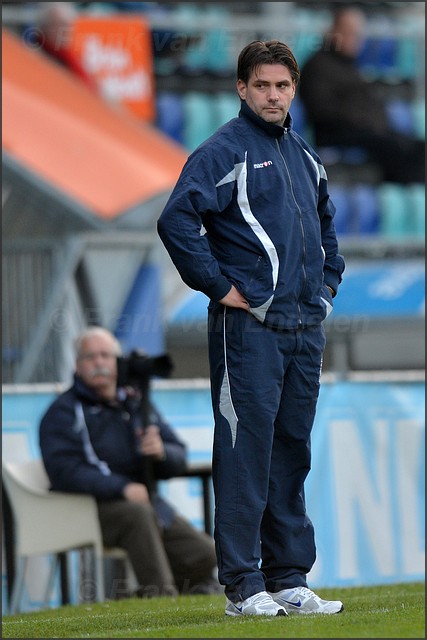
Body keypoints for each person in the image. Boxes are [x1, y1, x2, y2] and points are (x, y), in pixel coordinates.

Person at [157, 40, 345, 617]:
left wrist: (326, 289)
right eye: (261, 85)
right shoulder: (223, 151)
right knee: (245, 453)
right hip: (250, 332)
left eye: (282, 86)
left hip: (303, 329)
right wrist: (220, 287)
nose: (272, 95)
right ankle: (243, 585)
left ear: (293, 90)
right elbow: (177, 219)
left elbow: (327, 232)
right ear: (241, 88)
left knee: (292, 451)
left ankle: (289, 577)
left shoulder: (305, 155)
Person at [39, 326, 219, 598]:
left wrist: (161, 453)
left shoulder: (136, 402)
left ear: (117, 362)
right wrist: (121, 487)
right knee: (137, 514)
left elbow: (179, 455)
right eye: (90, 357)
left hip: (145, 504)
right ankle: (161, 597)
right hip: (88, 508)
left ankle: (144, 595)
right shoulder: (63, 412)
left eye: (105, 355)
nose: (99, 362)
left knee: (206, 554)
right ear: (77, 365)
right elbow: (64, 471)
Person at [298, 5, 425, 184]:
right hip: (337, 133)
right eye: (350, 33)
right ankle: (397, 191)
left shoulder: (349, 66)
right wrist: (362, 121)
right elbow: (321, 109)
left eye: (358, 34)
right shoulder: (317, 66)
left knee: (418, 147)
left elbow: (368, 102)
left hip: (365, 130)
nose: (357, 40)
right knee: (393, 147)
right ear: (334, 31)